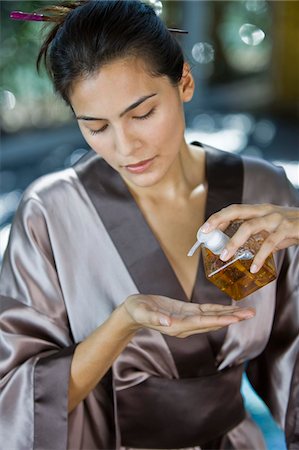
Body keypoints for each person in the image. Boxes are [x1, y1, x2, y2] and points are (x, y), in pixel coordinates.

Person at [0, 1, 298, 449]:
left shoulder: (263, 189)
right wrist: (123, 323)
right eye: (96, 126)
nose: (125, 147)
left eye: (141, 114)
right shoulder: (51, 212)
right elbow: (15, 403)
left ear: (184, 81)